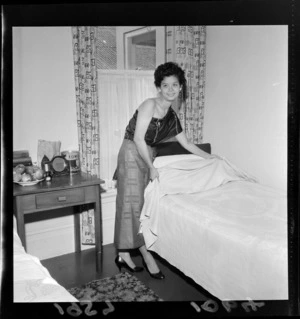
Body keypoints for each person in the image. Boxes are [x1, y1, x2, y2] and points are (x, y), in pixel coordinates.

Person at [114, 61, 217, 279]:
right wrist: (152, 168)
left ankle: (125, 252)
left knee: (140, 206)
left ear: (181, 87)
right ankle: (140, 253)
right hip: (132, 152)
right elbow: (138, 138)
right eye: (166, 85)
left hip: (147, 154)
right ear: (159, 87)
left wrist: (211, 158)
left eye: (175, 85)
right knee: (132, 205)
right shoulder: (149, 105)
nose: (170, 90)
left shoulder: (172, 117)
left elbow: (187, 144)